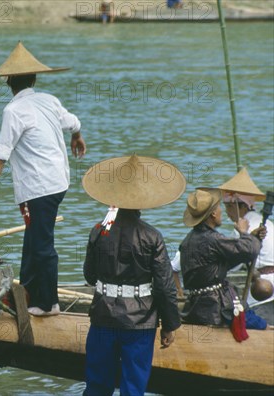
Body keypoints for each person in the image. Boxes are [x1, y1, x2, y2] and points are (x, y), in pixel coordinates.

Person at [0, 41, 86, 316]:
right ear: (33, 79)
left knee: (41, 243)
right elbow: (73, 121)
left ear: (9, 83)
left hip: (39, 188)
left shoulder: (13, 111)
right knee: (34, 237)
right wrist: (77, 137)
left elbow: (1, 153)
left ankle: (47, 305)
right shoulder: (49, 101)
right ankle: (26, 291)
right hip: (57, 182)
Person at [82, 154, 184, 396]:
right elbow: (164, 287)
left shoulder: (99, 231)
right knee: (133, 388)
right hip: (139, 323)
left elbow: (89, 276)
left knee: (97, 385)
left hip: (103, 318)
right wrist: (169, 325)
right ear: (143, 199)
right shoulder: (152, 236)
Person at [179, 188, 266, 327]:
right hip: (217, 308)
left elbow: (221, 263)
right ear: (213, 213)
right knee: (261, 325)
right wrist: (244, 233)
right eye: (219, 207)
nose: (222, 211)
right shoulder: (214, 239)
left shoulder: (189, 240)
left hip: (197, 306)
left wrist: (252, 237)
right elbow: (250, 250)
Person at [220, 168, 274, 323]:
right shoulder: (268, 223)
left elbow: (231, 265)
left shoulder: (243, 228)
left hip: (263, 290)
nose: (228, 213)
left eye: (229, 207)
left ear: (242, 207)